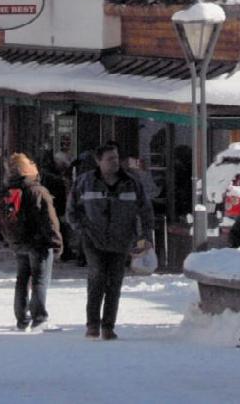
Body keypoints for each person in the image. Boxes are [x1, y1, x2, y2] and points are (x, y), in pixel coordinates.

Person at [67, 142, 153, 340]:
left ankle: (108, 326)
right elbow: (72, 210)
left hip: (122, 238)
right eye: (109, 159)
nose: (114, 162)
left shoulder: (132, 182)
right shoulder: (84, 182)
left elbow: (145, 211)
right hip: (93, 239)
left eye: (116, 158)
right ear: (99, 161)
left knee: (114, 281)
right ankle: (92, 324)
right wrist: (81, 229)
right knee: (97, 277)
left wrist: (145, 237)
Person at [3, 152, 63, 331]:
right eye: (31, 163)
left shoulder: (8, 190)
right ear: (27, 169)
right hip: (39, 242)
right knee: (40, 279)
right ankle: (39, 317)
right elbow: (49, 219)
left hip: (19, 241)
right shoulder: (37, 191)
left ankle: (21, 318)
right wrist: (56, 241)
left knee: (22, 279)